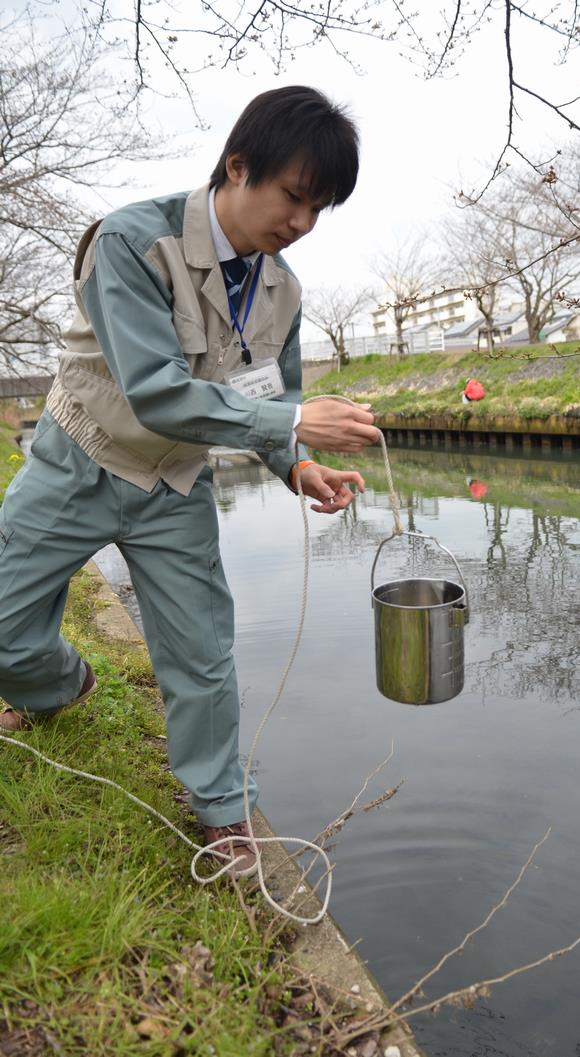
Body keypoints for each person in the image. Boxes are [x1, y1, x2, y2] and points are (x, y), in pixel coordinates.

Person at [0, 86, 379, 881]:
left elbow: (267, 396)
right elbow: (158, 390)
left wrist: (296, 465)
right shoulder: (132, 242)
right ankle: (57, 686)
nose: (302, 224)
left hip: (174, 483)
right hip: (82, 453)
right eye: (295, 197)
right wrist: (299, 425)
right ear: (238, 168)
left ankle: (222, 811)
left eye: (321, 210)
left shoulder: (284, 291)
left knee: (201, 654)